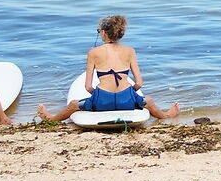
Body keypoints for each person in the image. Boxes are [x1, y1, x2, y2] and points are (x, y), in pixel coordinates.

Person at [38, 15, 179, 122]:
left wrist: (98, 95)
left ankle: (51, 119)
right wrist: (130, 93)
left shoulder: (93, 52)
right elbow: (140, 83)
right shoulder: (130, 51)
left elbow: (88, 87)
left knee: (74, 104)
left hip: (102, 101)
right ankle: (166, 115)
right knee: (148, 101)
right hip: (127, 100)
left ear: (104, 33)